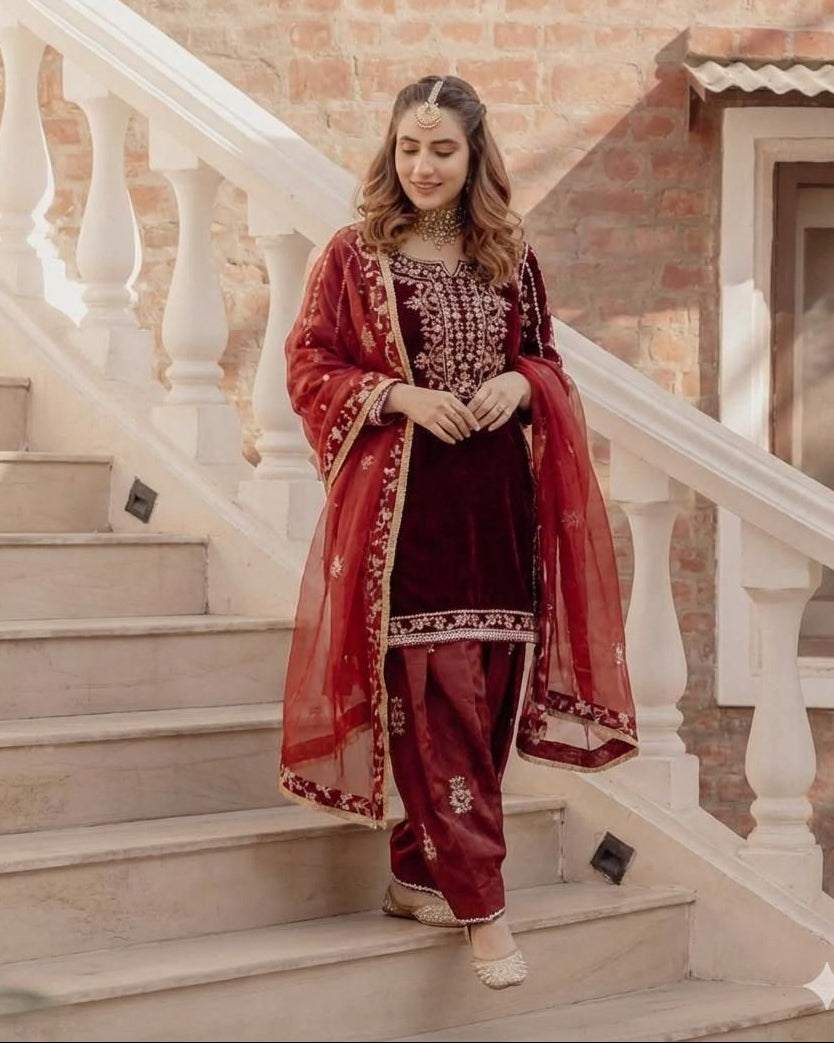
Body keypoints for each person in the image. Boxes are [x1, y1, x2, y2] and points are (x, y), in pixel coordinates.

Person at [279, 75, 639, 990]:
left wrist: (525, 383)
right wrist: (396, 394)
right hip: (407, 518)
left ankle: (416, 873)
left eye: (442, 149)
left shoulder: (508, 256)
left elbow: (543, 356)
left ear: (475, 154)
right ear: (389, 151)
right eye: (408, 147)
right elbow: (309, 361)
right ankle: (485, 909)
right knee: (433, 706)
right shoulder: (356, 255)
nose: (423, 165)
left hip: (498, 514)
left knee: (483, 705)